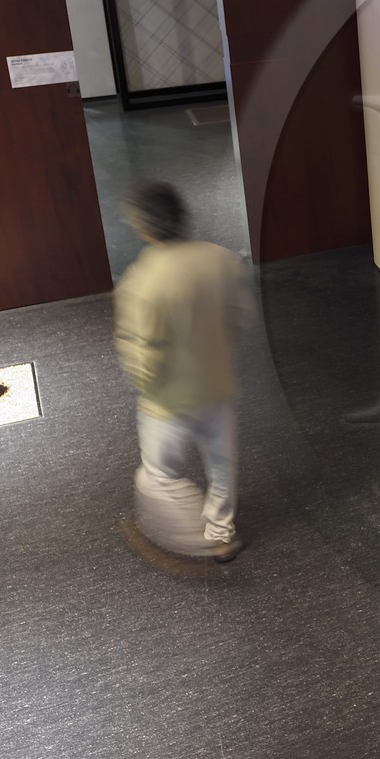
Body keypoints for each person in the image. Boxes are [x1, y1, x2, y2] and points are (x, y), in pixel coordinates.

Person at [114, 182, 254, 562]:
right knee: (223, 468)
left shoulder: (143, 280)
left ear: (143, 228)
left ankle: (194, 535)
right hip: (218, 387)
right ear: (182, 217)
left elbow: (143, 353)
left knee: (158, 476)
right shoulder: (221, 260)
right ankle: (220, 532)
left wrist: (145, 382)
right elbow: (239, 316)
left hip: (168, 401)